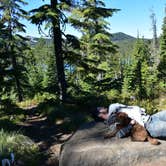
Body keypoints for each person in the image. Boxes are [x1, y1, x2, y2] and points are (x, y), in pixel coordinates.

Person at [95, 103, 166, 138]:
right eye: (100, 108)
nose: (102, 107)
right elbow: (119, 134)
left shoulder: (113, 109)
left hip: (152, 117)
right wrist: (130, 125)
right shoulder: (111, 122)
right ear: (99, 115)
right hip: (149, 126)